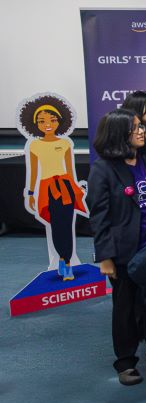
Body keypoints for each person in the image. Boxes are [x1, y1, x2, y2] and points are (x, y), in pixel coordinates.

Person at [87, 108, 146, 385]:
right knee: (126, 308)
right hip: (124, 253)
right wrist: (104, 257)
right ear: (119, 134)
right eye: (135, 128)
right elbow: (99, 217)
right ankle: (126, 361)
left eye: (141, 127)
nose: (142, 131)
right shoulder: (102, 170)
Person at [19, 95, 87, 279]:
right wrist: (31, 193)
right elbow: (33, 172)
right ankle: (62, 261)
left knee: (67, 225)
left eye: (52, 120)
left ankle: (67, 262)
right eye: (42, 121)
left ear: (60, 121)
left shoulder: (65, 143)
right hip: (47, 189)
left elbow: (70, 170)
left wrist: (77, 189)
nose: (47, 124)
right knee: (57, 226)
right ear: (35, 124)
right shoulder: (34, 145)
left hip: (66, 187)